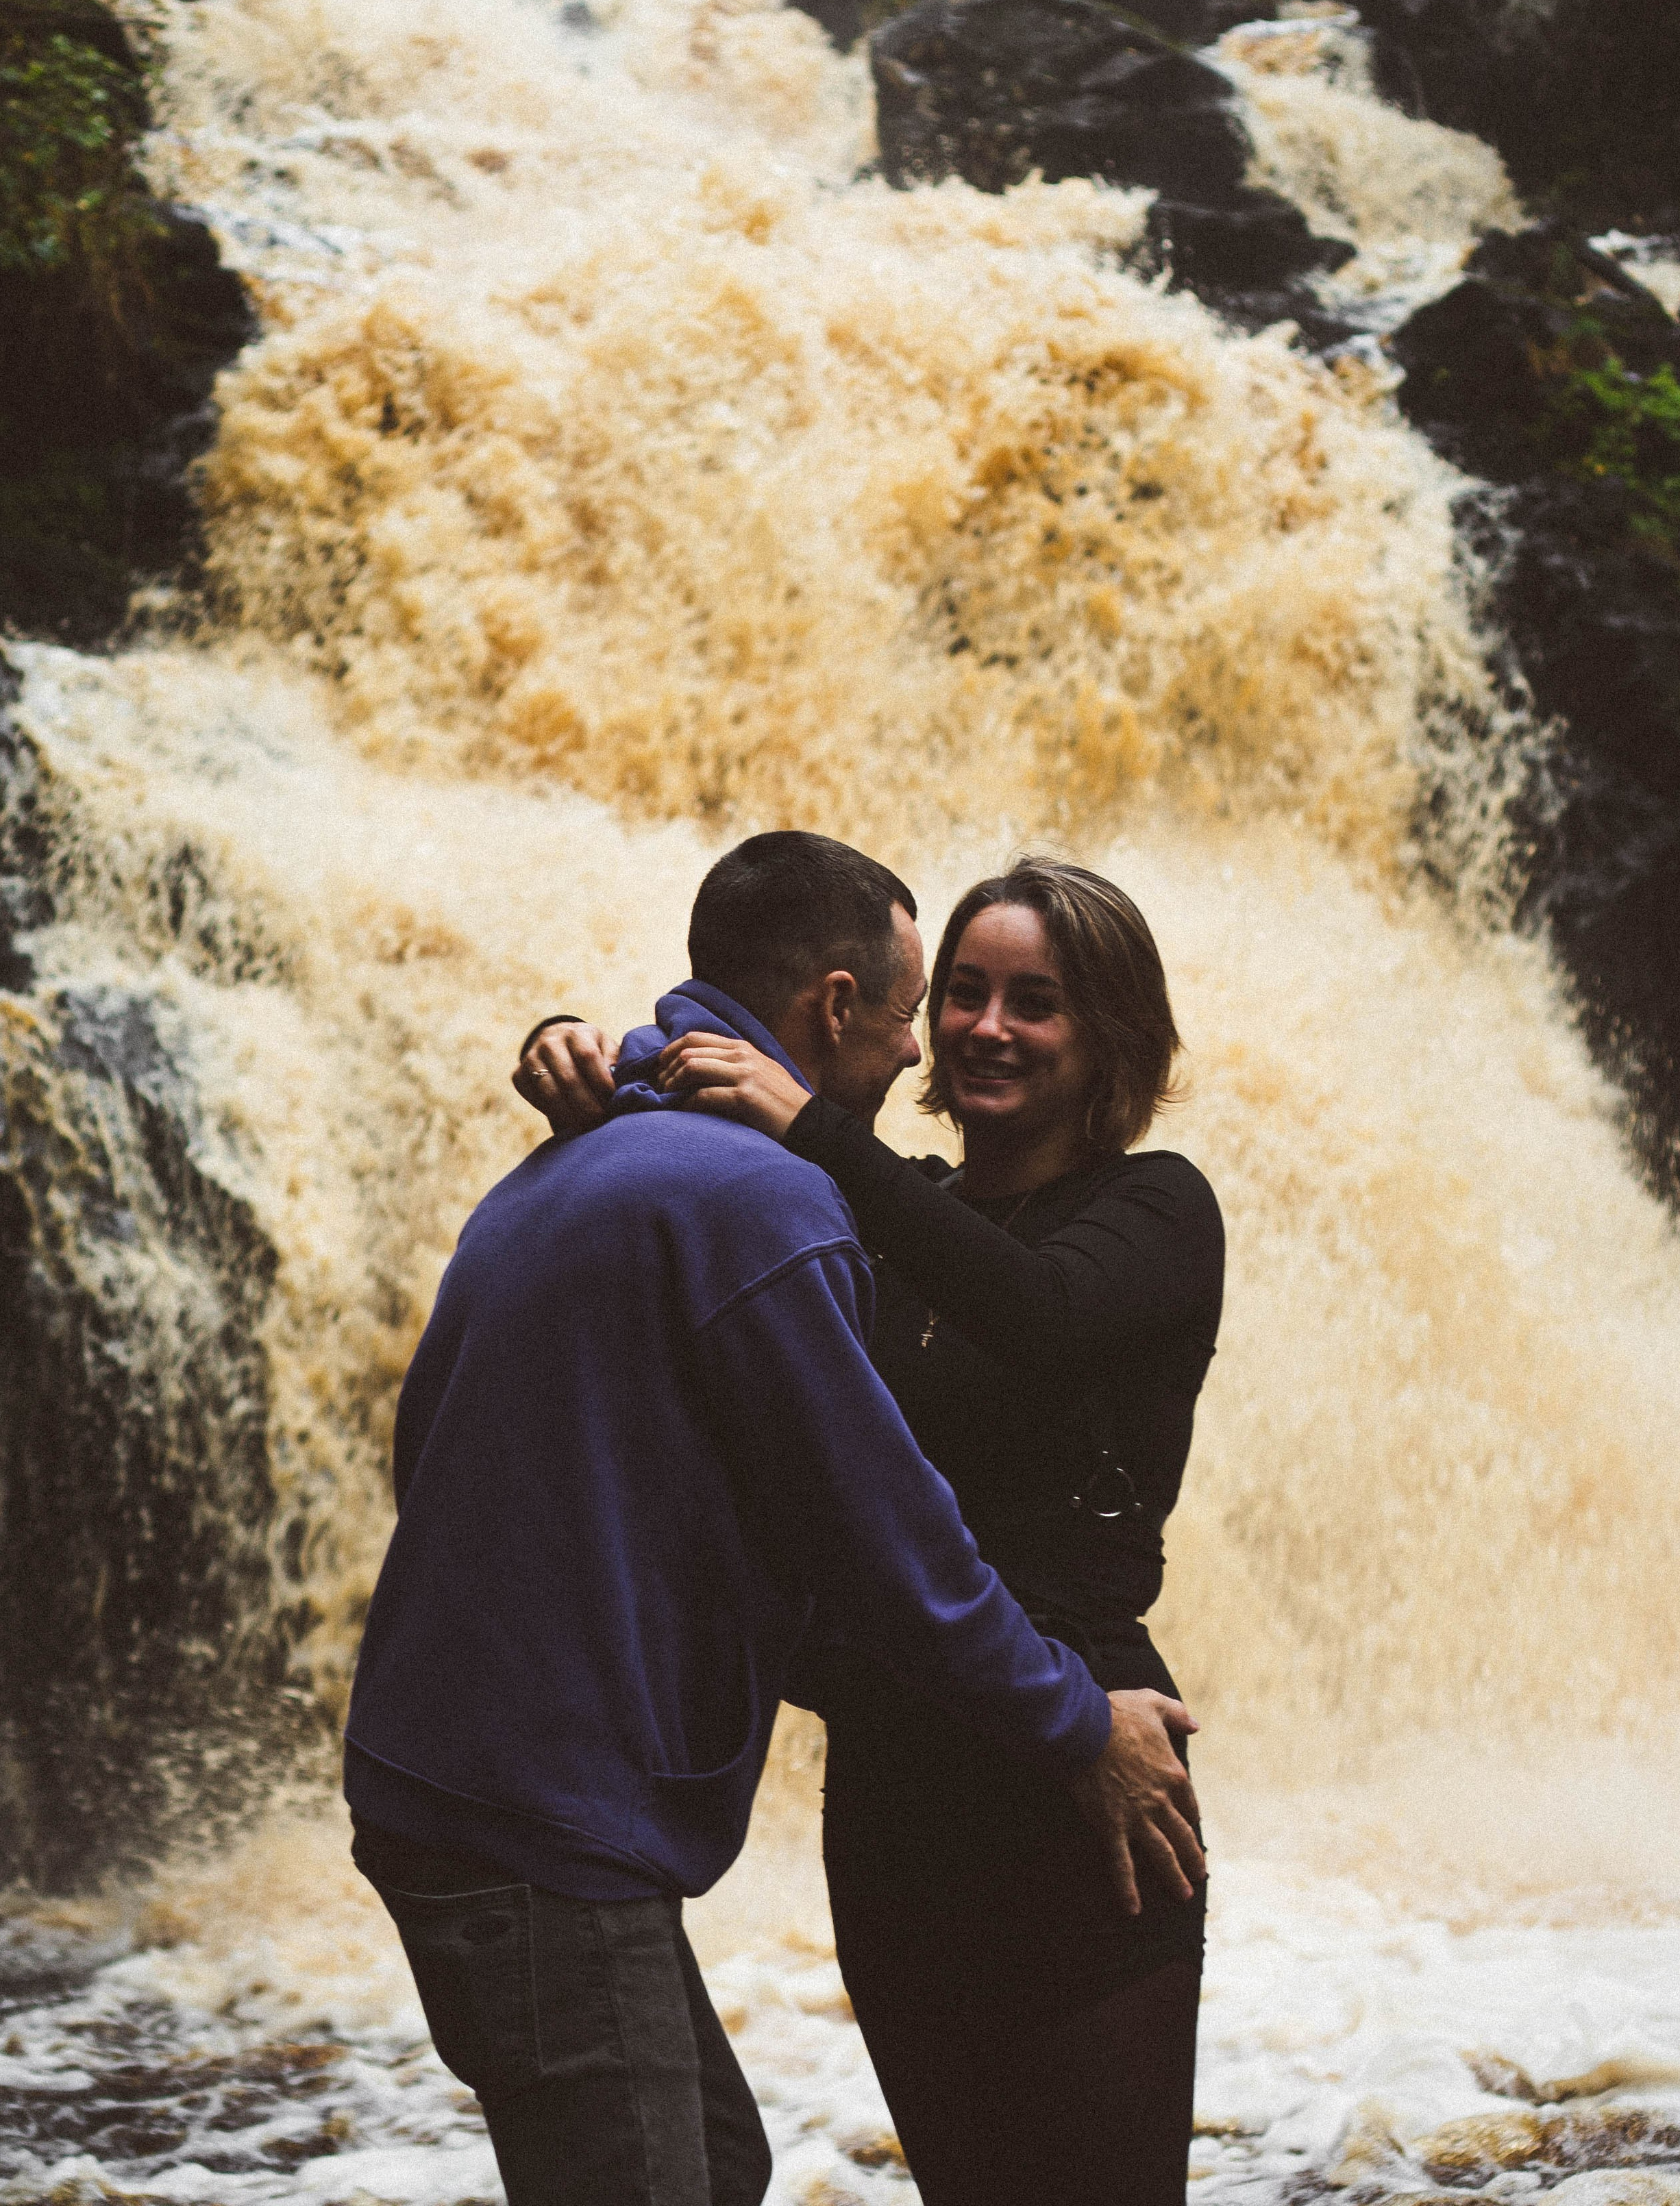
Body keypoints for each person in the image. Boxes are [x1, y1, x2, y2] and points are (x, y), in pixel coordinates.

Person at [348, 832, 1205, 2206]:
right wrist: (592, 1052)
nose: (949, 1043)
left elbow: (1032, 1321)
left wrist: (724, 1093)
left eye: (1026, 1001)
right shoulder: (796, 1207)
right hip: (887, 1777)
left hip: (1063, 1791)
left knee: (732, 2166)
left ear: (1107, 1031)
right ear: (833, 1007)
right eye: (943, 999)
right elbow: (875, 1540)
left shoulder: (1131, 1208)